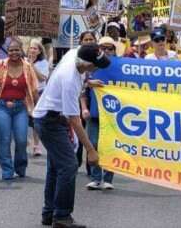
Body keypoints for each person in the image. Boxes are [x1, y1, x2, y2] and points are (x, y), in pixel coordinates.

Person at [33, 44, 110, 228]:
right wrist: (91, 151)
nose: (97, 69)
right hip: (50, 121)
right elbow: (75, 121)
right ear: (86, 64)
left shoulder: (76, 53)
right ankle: (62, 217)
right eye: (95, 66)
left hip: (49, 116)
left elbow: (83, 67)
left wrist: (89, 82)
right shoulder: (70, 80)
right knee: (69, 166)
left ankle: (49, 212)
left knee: (56, 167)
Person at [0, 39, 39, 180]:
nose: (14, 52)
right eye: (11, 50)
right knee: (5, 138)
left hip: (21, 107)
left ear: (21, 50)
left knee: (21, 139)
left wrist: (39, 109)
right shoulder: (0, 65)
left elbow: (34, 88)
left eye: (16, 50)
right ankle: (7, 170)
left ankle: (20, 167)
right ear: (7, 51)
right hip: (1, 107)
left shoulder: (27, 67)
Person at [80, 37, 116, 191]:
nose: (107, 51)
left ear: (115, 50)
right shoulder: (92, 67)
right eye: (103, 48)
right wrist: (84, 108)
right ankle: (96, 178)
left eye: (110, 48)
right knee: (93, 144)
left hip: (113, 116)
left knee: (110, 147)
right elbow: (83, 91)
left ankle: (108, 178)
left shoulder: (121, 67)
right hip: (94, 114)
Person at [27, 39, 50, 156]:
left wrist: (32, 66)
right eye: (31, 48)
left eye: (35, 48)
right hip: (26, 94)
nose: (32, 50)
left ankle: (36, 145)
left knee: (36, 120)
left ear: (40, 51)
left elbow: (42, 78)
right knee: (25, 119)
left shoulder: (44, 63)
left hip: (39, 93)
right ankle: (24, 138)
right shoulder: (23, 61)